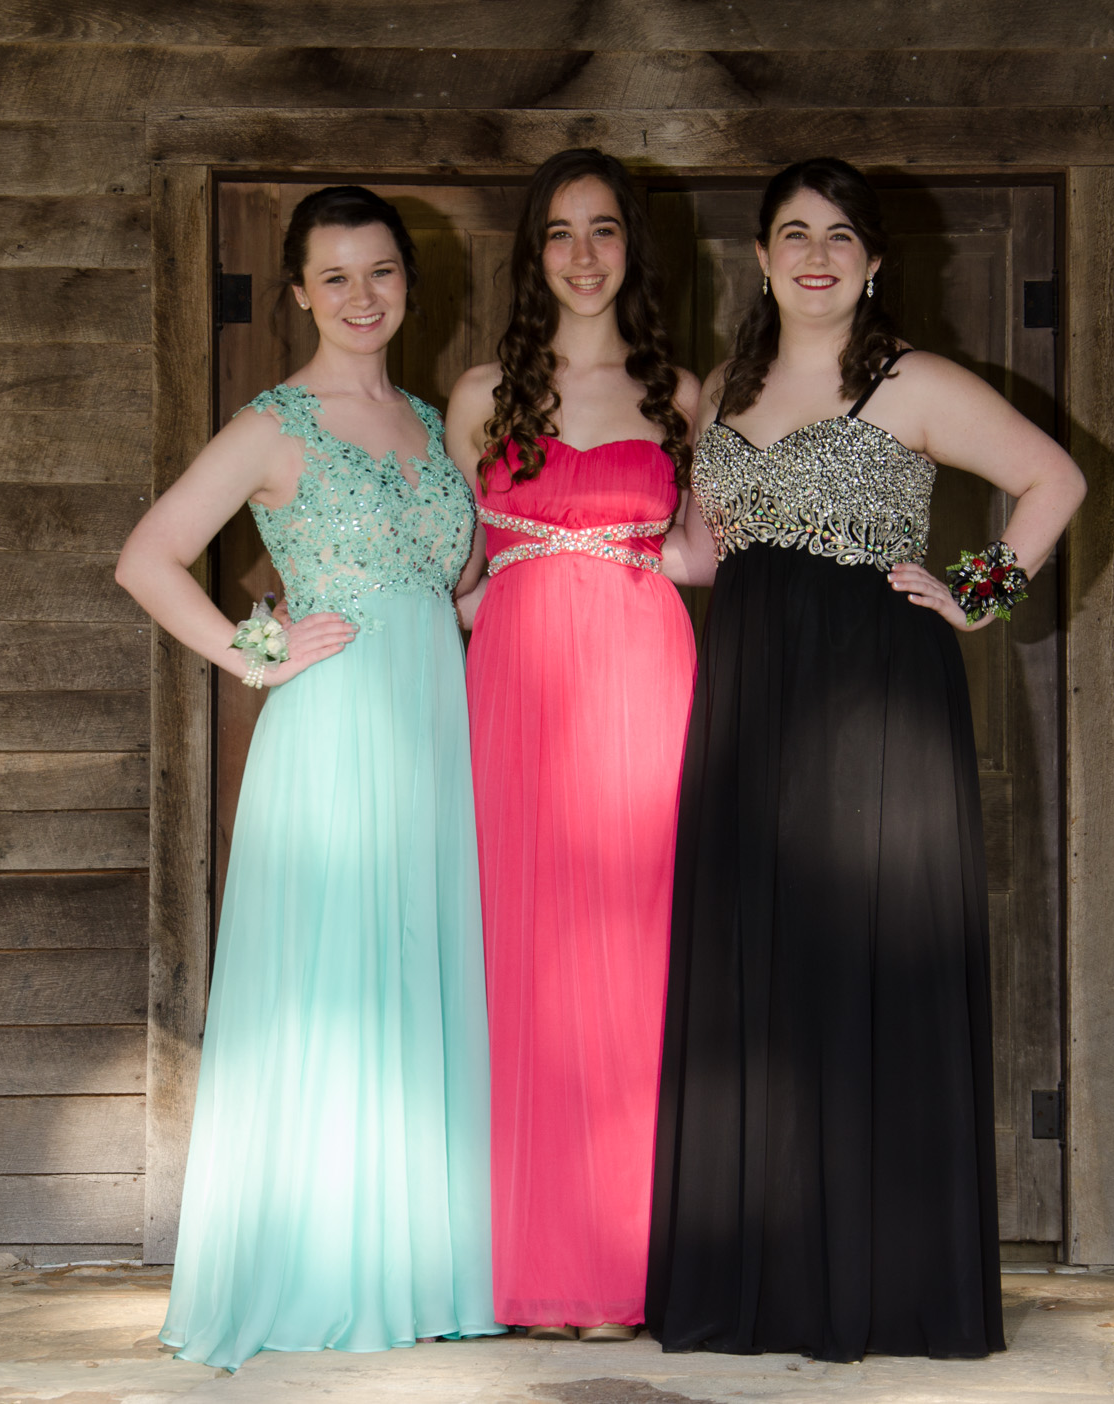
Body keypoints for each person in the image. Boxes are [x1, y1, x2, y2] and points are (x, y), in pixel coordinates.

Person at [645, 158, 1087, 1363]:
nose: (816, 254)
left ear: (874, 261)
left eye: (840, 235)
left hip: (874, 703)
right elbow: (701, 554)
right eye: (793, 233)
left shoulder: (913, 382)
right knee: (761, 974)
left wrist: (975, 592)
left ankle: (882, 1286)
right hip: (749, 702)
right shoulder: (721, 392)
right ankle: (765, 1280)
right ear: (760, 257)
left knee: (861, 959)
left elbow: (1053, 478)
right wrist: (566, 554)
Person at [114, 185, 501, 1371]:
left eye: (379, 271)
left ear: (407, 283)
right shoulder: (271, 424)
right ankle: (323, 1271)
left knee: (412, 972)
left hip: (433, 734)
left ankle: (415, 1268)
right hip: (331, 737)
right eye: (334, 276)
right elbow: (147, 558)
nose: (360, 295)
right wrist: (255, 652)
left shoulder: (432, 423)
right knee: (335, 983)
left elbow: (459, 589)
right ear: (297, 293)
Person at [445, 148, 699, 1342]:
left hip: (644, 678)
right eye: (559, 232)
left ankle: (622, 1266)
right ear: (531, 253)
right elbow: (452, 569)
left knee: (636, 951)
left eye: (603, 230)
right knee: (521, 952)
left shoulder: (679, 395)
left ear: (631, 248)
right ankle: (524, 1264)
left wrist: (949, 586)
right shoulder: (481, 394)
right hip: (515, 686)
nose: (582, 255)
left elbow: (707, 553)